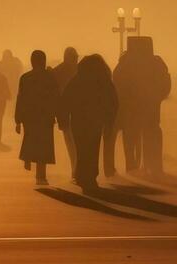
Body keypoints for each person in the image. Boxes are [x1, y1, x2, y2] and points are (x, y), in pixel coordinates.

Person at [113, 37, 171, 175]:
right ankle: (153, 166)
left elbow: (116, 83)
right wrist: (156, 98)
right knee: (152, 133)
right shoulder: (156, 63)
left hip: (130, 110)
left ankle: (132, 166)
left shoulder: (125, 63)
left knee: (130, 137)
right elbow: (166, 84)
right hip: (150, 109)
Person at [60, 53, 118, 190]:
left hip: (78, 121)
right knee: (92, 149)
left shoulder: (77, 79)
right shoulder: (104, 81)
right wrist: (109, 121)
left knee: (81, 149)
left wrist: (63, 118)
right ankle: (91, 176)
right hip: (96, 121)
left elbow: (66, 99)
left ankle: (81, 175)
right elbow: (113, 101)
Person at [14, 49, 59, 185]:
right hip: (45, 116)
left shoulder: (25, 78)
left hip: (30, 116)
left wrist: (18, 120)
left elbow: (20, 99)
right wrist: (57, 114)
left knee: (31, 140)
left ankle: (29, 161)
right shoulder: (49, 77)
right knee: (44, 145)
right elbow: (55, 97)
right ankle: (41, 175)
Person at [51, 47, 82, 178]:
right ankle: (75, 168)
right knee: (75, 141)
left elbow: (52, 93)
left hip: (64, 112)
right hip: (74, 112)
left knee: (70, 142)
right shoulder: (79, 71)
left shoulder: (57, 71)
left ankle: (75, 168)